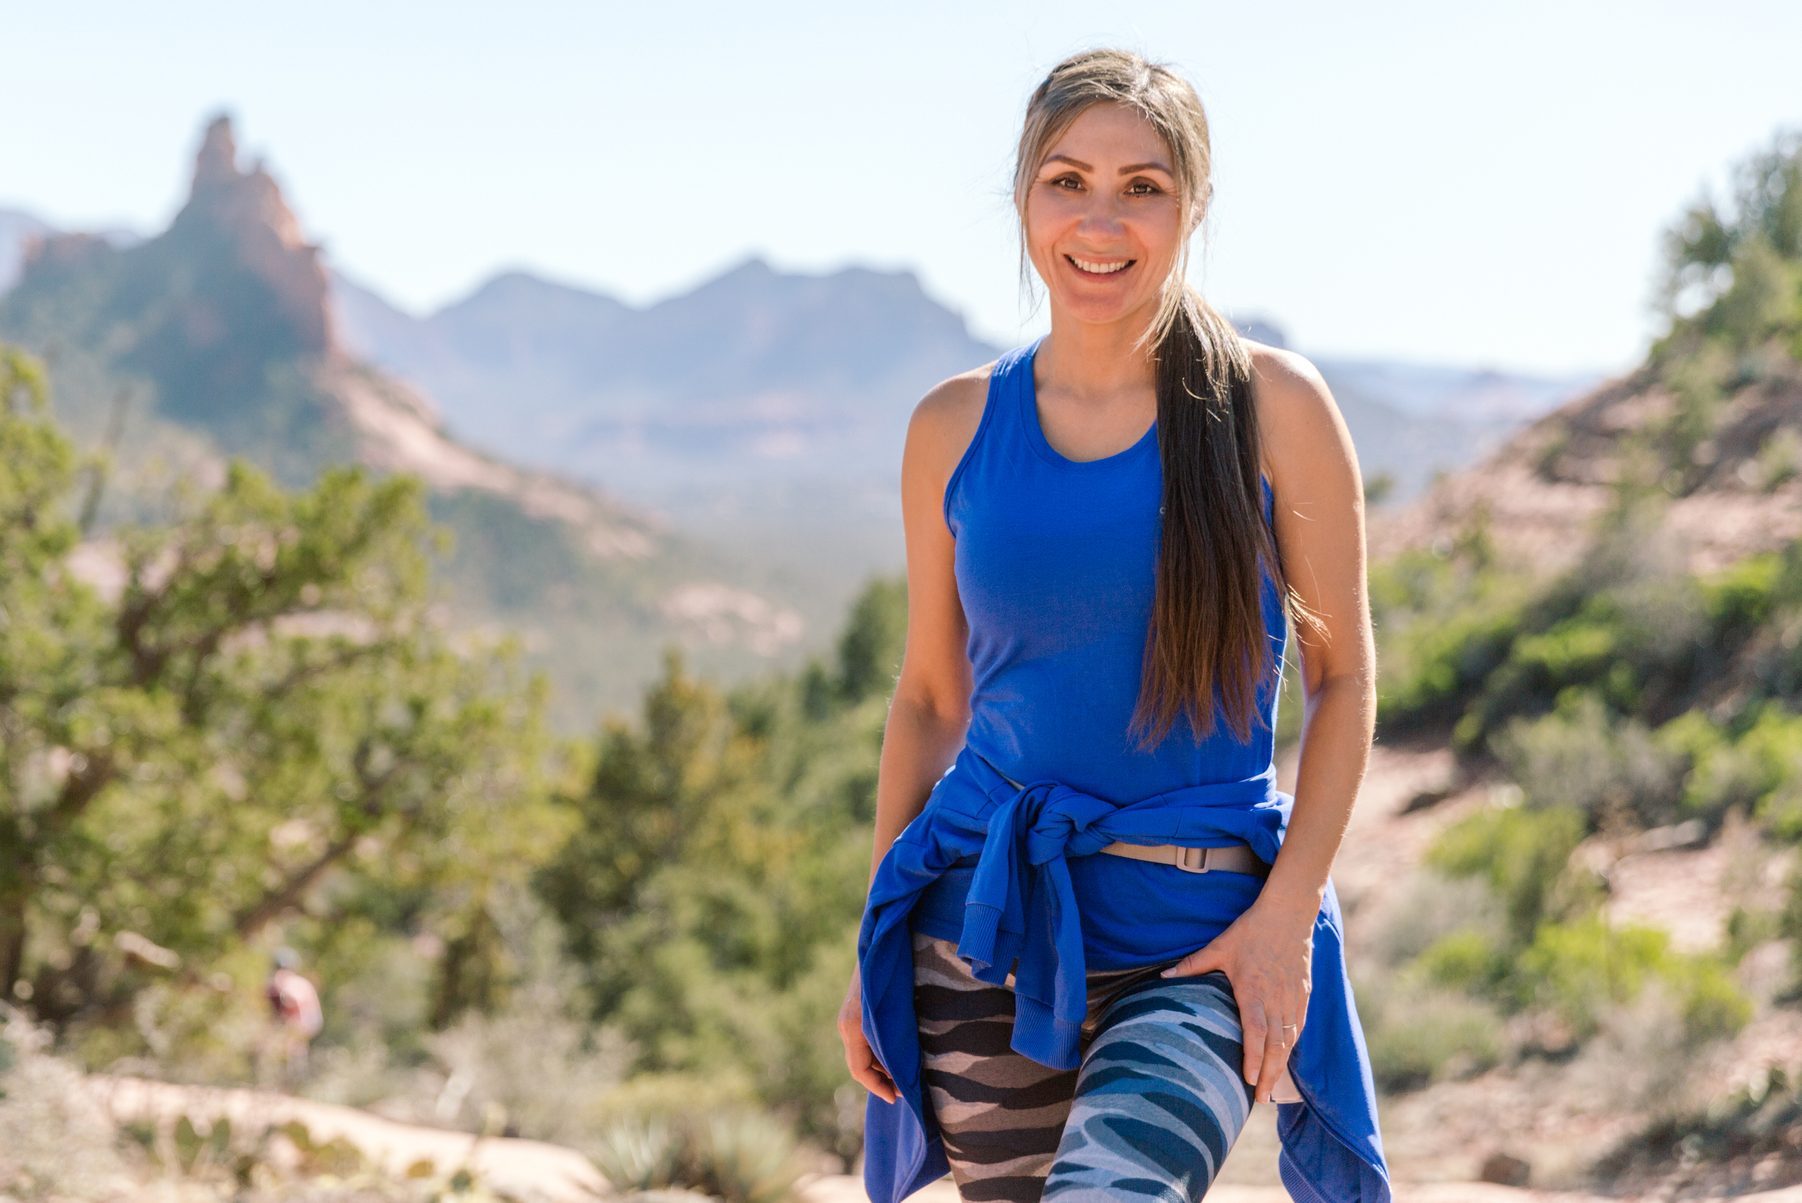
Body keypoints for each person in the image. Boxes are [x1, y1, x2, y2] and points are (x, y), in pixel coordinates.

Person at [837, 47, 1394, 1203]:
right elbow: (930, 700)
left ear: (1191, 206)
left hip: (1197, 938)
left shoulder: (1273, 406)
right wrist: (870, 945)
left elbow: (1341, 681)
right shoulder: (951, 425)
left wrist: (1284, 916)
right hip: (978, 928)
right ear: (1022, 197)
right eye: (1066, 181)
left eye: (1141, 186)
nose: (1099, 222)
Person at [262, 946, 323, 1087]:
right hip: (293, 1022)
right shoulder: (282, 983)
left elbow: (295, 1002)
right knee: (283, 1046)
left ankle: (295, 1081)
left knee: (293, 1046)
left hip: (306, 1021)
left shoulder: (296, 983)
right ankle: (284, 1080)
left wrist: (281, 987)